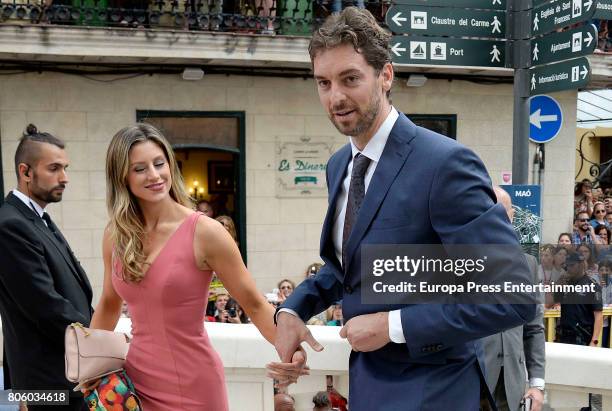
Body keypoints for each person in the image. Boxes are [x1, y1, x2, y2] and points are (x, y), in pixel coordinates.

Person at [270, 8, 536, 410]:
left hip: (436, 391)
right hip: (368, 387)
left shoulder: (445, 164)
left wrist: (393, 326)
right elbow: (351, 268)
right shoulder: (338, 165)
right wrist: (294, 308)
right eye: (323, 83)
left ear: (386, 75)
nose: (335, 97)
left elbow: (512, 295)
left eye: (350, 79)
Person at [89, 123, 303, 410]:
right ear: (122, 177)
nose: (154, 175)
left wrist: (292, 349)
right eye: (139, 169)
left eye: (159, 163)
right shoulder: (116, 235)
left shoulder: (207, 233)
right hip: (135, 385)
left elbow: (253, 304)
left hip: (195, 386)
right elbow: (108, 303)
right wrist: (88, 362)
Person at [0, 124, 93, 410]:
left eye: (65, 168)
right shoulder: (10, 225)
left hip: (66, 377)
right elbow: (45, 305)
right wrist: (98, 340)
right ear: (26, 172)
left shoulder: (38, 219)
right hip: (48, 386)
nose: (64, 178)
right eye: (54, 168)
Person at [481, 187, 545, 411]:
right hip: (470, 382)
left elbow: (534, 328)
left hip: (512, 387)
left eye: (501, 211)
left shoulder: (528, 264)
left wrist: (537, 384)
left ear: (511, 216)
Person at [554, 252, 603, 346]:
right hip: (564, 335)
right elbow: (552, 303)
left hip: (582, 336)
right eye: (567, 265)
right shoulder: (565, 282)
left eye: (572, 265)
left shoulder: (592, 284)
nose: (569, 268)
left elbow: (598, 314)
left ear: (581, 265)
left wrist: (594, 341)